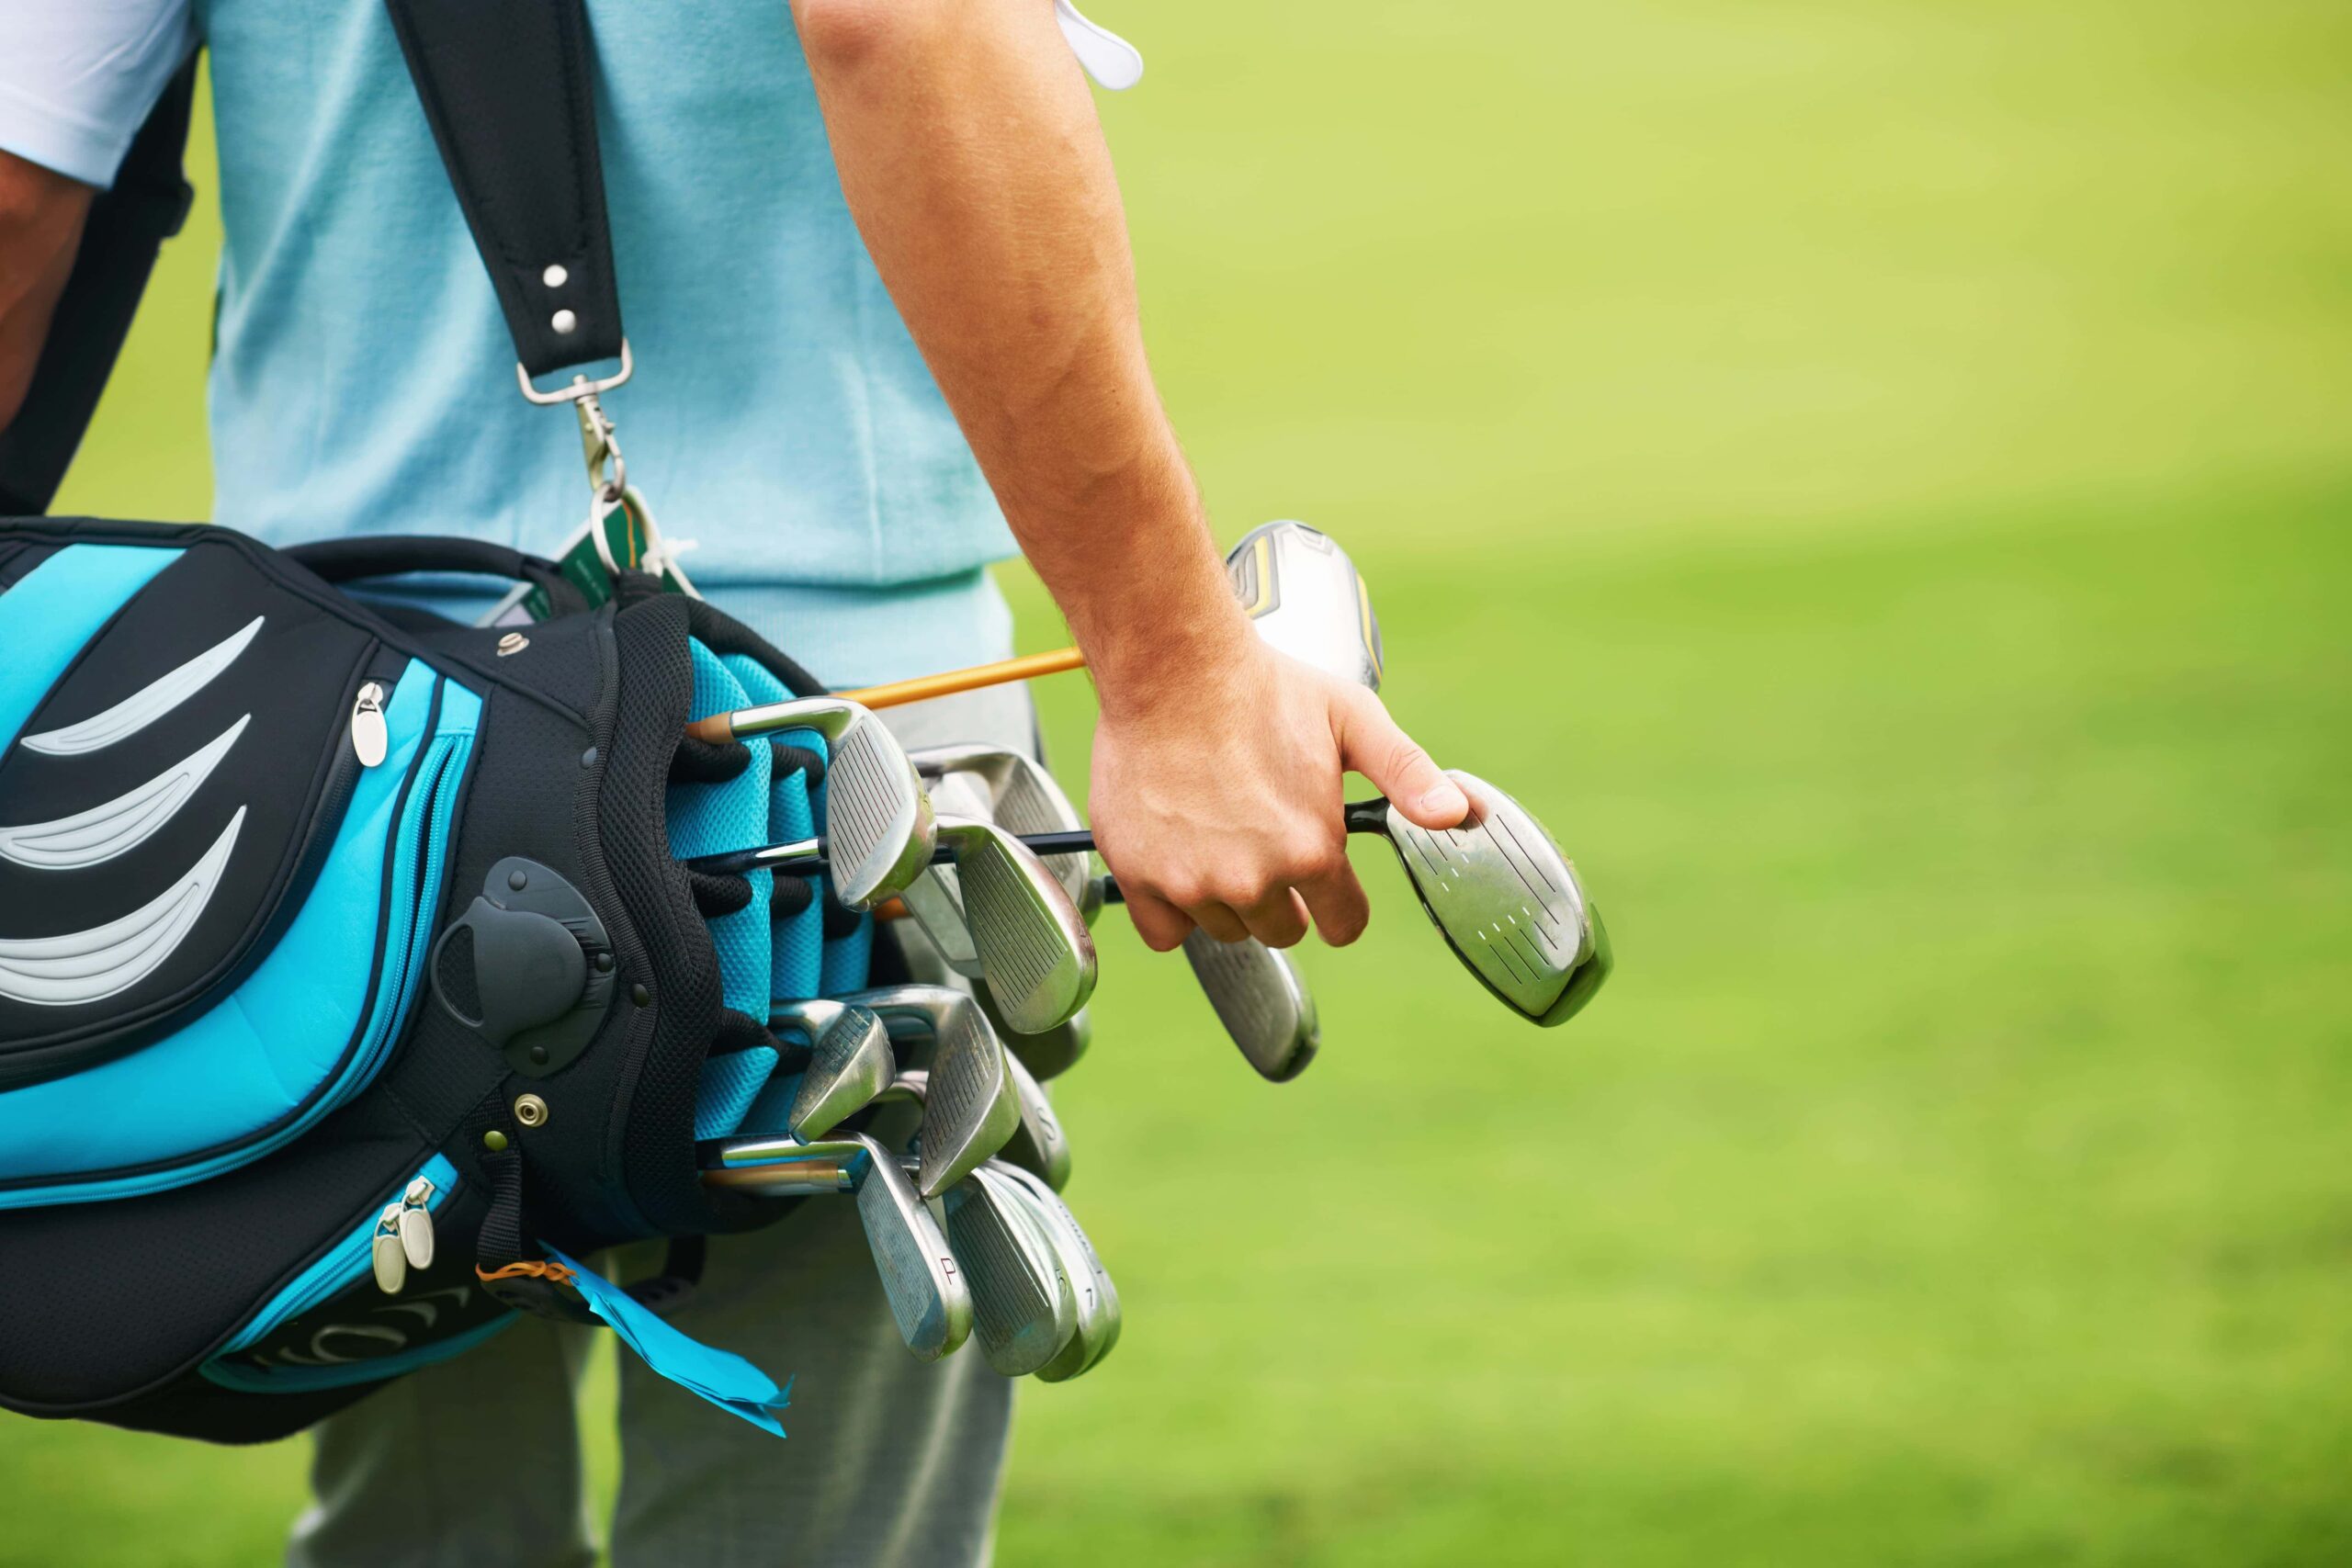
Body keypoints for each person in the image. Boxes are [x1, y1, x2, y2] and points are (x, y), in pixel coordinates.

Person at [0, 3, 1469, 1562]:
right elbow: (898, 21)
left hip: (342, 776)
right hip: (828, 750)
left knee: (420, 1530)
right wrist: (1170, 667)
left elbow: (23, 180)